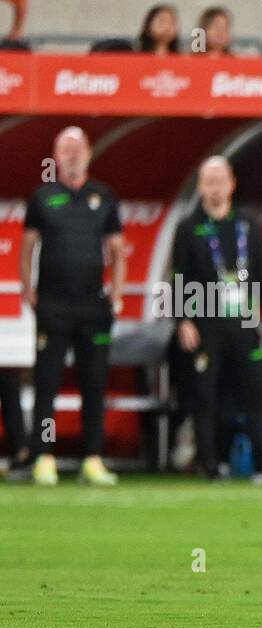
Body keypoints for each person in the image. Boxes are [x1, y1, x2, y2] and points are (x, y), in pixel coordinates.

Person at [21, 127, 127, 487]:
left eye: (77, 148)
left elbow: (116, 247)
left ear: (88, 153)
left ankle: (92, 457)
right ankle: (44, 454)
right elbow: (28, 246)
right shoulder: (43, 197)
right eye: (65, 149)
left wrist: (116, 292)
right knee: (47, 384)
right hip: (53, 304)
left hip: (93, 307)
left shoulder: (104, 196)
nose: (72, 155)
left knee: (94, 384)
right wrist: (27, 289)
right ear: (55, 154)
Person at [172, 157, 262, 484]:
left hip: (246, 321)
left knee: (255, 392)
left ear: (232, 184)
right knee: (207, 394)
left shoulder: (247, 226)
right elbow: (179, 277)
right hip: (206, 321)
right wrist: (183, 320)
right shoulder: (188, 227)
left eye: (221, 180)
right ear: (200, 186)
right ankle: (211, 464)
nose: (215, 187)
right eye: (209, 181)